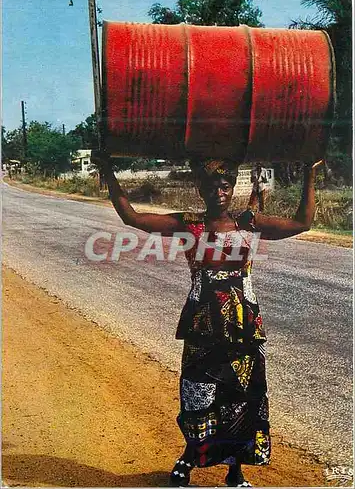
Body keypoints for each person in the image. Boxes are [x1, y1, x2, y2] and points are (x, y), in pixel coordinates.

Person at [96, 154, 322, 487]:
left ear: (232, 189)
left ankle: (235, 472)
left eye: (225, 185)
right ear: (201, 190)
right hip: (203, 326)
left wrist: (309, 174)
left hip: (243, 326)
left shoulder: (249, 222)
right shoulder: (190, 224)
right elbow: (134, 219)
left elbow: (303, 223)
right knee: (199, 397)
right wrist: (109, 174)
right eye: (212, 186)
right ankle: (188, 459)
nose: (219, 192)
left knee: (242, 396)